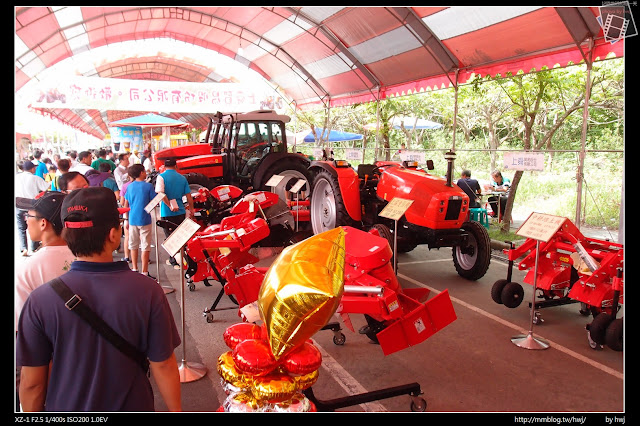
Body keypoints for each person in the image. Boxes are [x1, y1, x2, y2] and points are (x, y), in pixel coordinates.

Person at [16, 187, 182, 412]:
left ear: (66, 234)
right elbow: (163, 365)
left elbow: (32, 383)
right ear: (114, 235)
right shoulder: (148, 291)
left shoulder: (39, 301)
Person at [155, 158, 193, 267]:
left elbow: (161, 194)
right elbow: (189, 196)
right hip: (180, 211)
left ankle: (174, 261)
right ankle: (184, 259)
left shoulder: (161, 177)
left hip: (166, 212)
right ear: (176, 166)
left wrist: (169, 205)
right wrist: (191, 208)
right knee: (180, 236)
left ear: (164, 167)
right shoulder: (182, 178)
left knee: (170, 237)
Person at [123, 164, 156, 278]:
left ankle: (134, 269)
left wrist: (126, 219)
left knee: (133, 244)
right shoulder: (148, 186)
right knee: (145, 245)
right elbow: (154, 201)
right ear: (141, 173)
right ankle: (145, 271)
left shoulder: (129, 186)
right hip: (145, 219)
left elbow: (126, 204)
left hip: (132, 219)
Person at [16, 161, 51, 256]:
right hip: (32, 206)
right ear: (32, 169)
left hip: (19, 205)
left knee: (21, 228)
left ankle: (23, 248)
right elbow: (47, 187)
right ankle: (34, 247)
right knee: (34, 225)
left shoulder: (17, 177)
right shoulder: (35, 178)